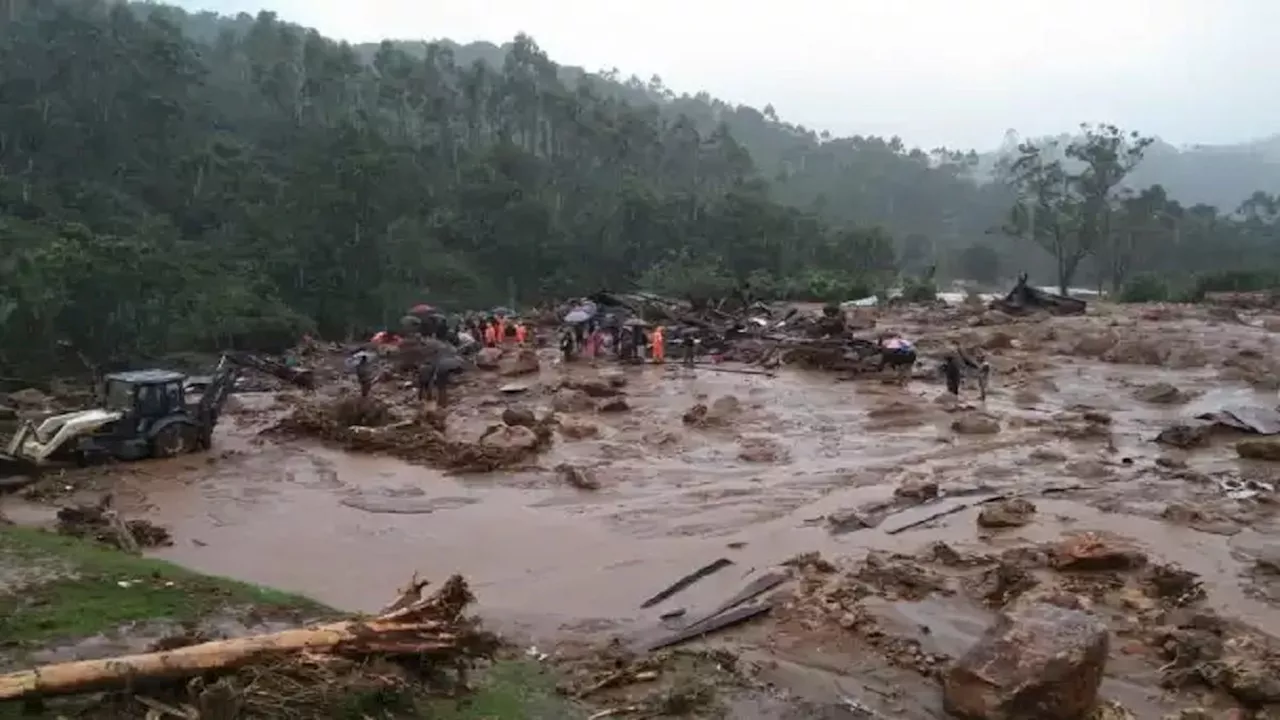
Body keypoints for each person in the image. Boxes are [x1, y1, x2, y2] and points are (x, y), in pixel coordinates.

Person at [417, 337, 463, 406]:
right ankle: (441, 404)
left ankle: (438, 404)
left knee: (437, 386)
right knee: (440, 386)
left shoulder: (431, 350)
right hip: (448, 364)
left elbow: (436, 367)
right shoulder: (441, 346)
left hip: (443, 366)